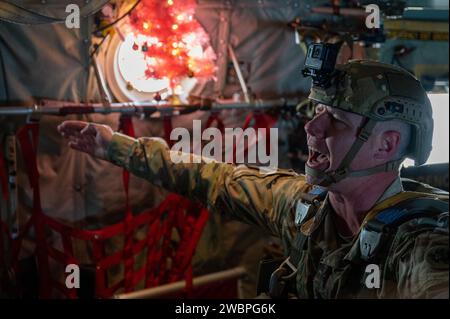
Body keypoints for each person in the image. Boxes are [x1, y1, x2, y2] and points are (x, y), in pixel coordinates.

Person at [57, 60, 449, 299]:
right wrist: (115, 147)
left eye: (336, 121)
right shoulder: (303, 207)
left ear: (387, 144)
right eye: (316, 110)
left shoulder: (421, 241)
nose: (312, 127)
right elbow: (214, 179)